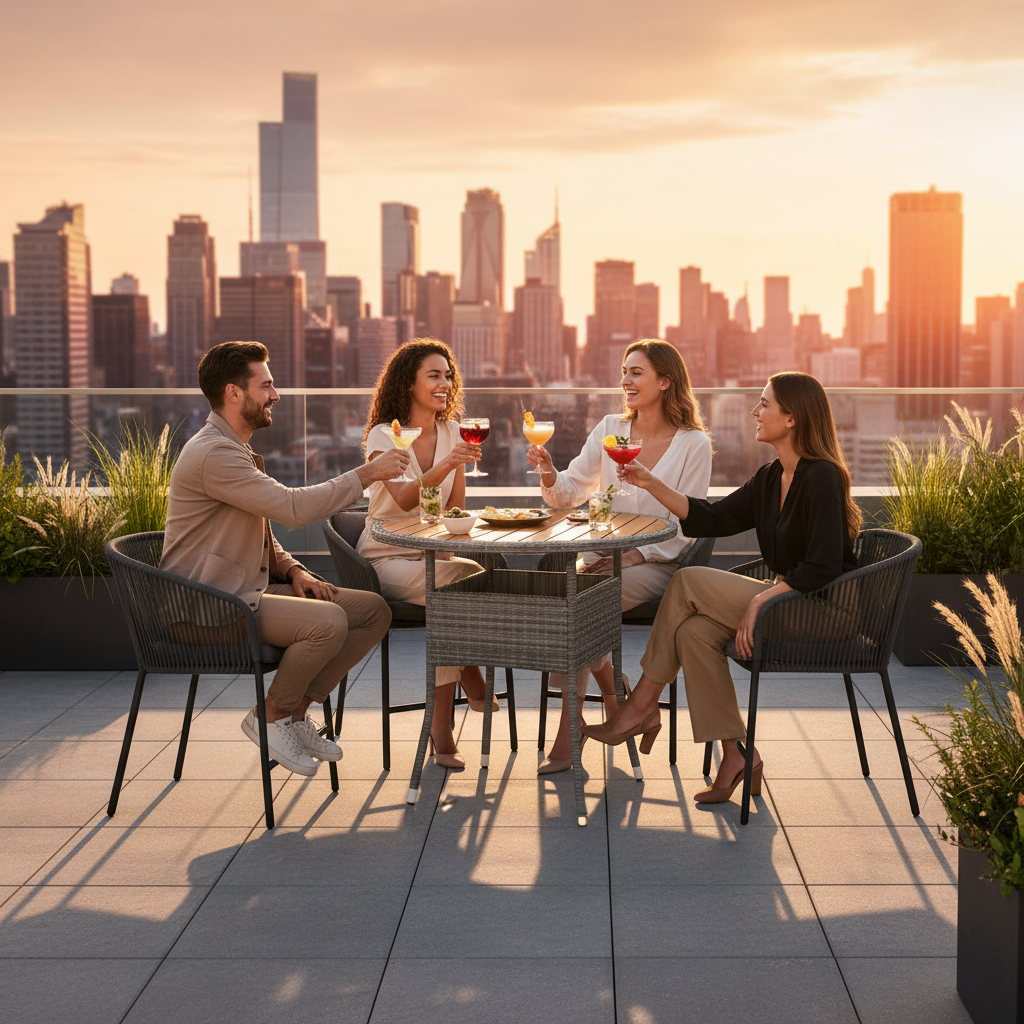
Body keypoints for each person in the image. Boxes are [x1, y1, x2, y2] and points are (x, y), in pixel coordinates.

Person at [582, 371, 860, 804]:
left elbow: (823, 567)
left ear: (792, 418)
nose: (755, 411)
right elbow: (711, 518)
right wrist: (650, 481)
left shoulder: (822, 476)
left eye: (765, 404)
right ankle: (735, 756)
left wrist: (761, 600)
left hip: (823, 611)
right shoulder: (771, 478)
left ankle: (640, 705)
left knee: (688, 579)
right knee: (694, 634)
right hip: (790, 600)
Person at [161, 341, 408, 778]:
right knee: (327, 621)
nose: (276, 395)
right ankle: (270, 715)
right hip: (209, 604)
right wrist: (368, 473)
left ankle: (293, 713)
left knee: (371, 611)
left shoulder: (232, 447)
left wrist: (292, 569)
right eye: (267, 385)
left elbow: (260, 529)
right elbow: (291, 508)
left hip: (245, 590)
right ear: (235, 393)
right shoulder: (214, 454)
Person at [526, 339, 713, 773]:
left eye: (636, 373)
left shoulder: (693, 444)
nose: (625, 381)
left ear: (665, 382)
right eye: (624, 371)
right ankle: (619, 697)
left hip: (656, 563)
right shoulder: (611, 428)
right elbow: (570, 491)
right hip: (598, 557)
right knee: (569, 600)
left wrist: (633, 556)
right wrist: (550, 471)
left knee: (580, 604)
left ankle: (568, 734)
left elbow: (690, 523)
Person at [356, 338, 494, 770]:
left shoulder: (453, 432)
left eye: (448, 375)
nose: (445, 384)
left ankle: (442, 727)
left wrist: (454, 466)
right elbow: (400, 500)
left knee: (454, 590)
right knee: (459, 585)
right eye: (434, 375)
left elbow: (456, 510)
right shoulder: (386, 435)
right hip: (385, 560)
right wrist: (448, 463)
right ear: (408, 383)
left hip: (434, 557)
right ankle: (468, 682)